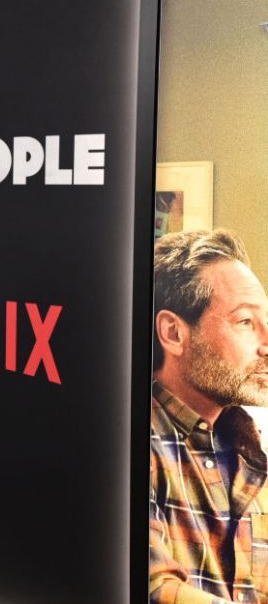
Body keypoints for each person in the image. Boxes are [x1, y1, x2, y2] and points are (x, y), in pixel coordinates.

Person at [150, 229, 268, 603]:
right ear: (173, 333)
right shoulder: (128, 439)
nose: (266, 344)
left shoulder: (250, 446)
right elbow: (149, 587)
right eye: (245, 322)